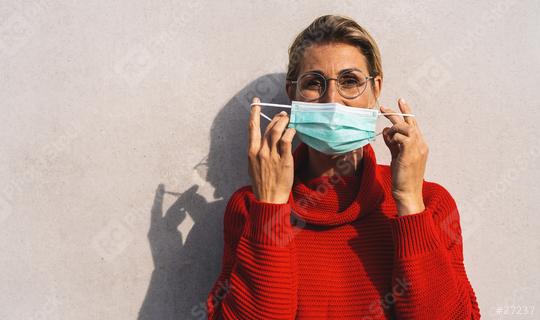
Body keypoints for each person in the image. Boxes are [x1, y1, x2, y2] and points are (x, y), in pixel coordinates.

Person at [206, 14, 480, 319]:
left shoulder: (430, 202)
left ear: (376, 89)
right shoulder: (250, 208)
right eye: (313, 83)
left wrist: (409, 202)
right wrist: (271, 205)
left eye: (350, 81)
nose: (332, 100)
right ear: (292, 94)